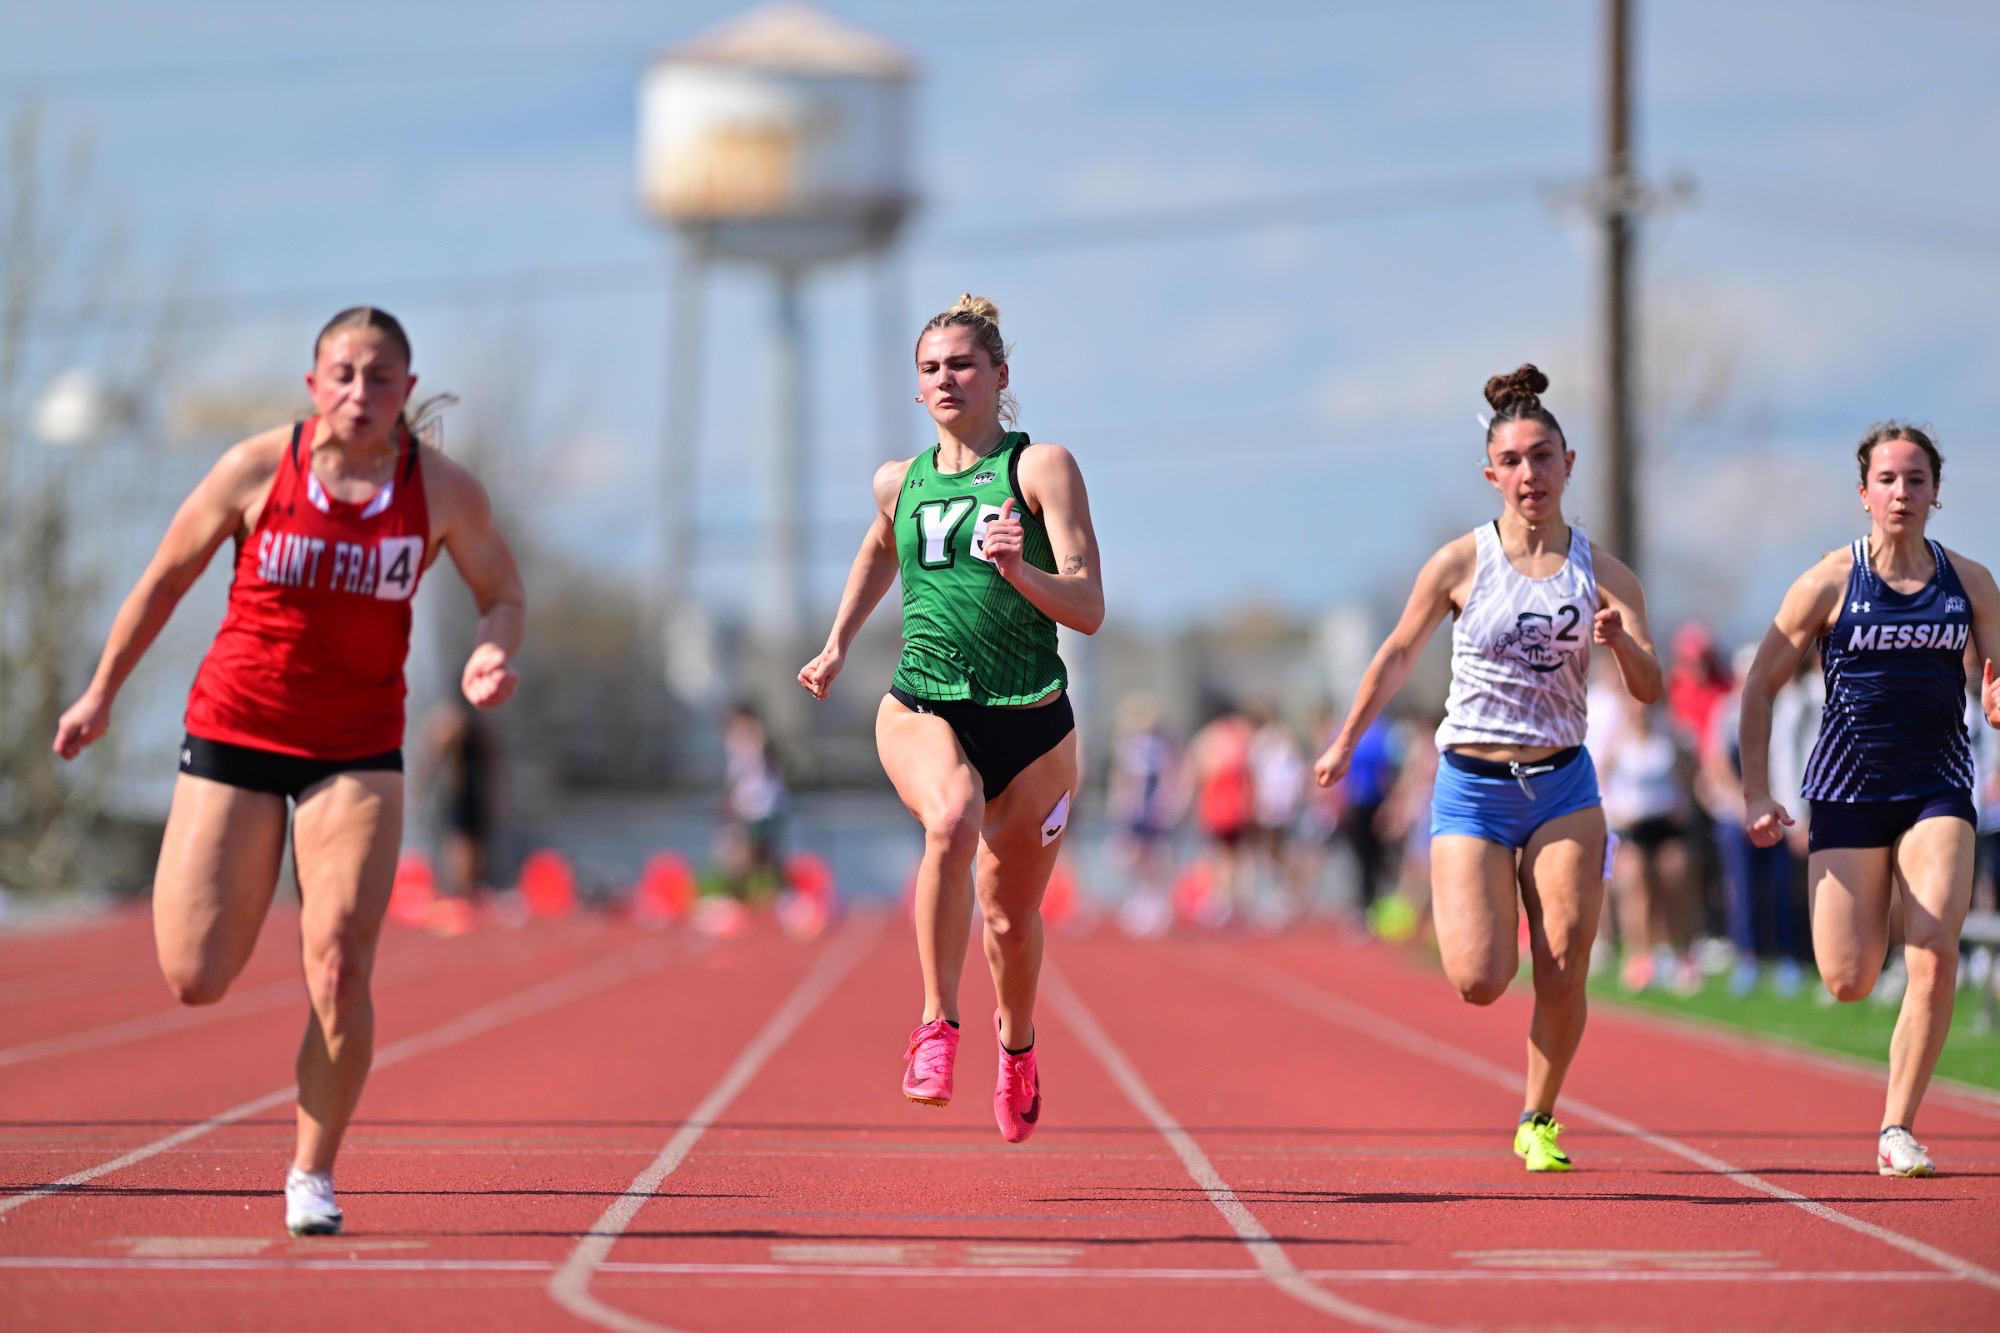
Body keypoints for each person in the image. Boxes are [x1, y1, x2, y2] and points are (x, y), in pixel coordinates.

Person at [53, 307, 525, 1235]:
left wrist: (493, 650)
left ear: (406, 390)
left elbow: (502, 592)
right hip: (236, 729)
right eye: (343, 373)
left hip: (355, 750)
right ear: (314, 384)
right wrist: (101, 691)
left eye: (380, 377)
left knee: (343, 960)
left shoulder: (444, 493)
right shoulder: (256, 468)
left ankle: (312, 1172)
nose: (360, 392)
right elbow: (164, 579)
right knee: (195, 975)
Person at [1313, 364, 1661, 1172]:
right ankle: (1492, 906)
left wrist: (1623, 644)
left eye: (1544, 457)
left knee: (1567, 957)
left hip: (1564, 783)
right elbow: (1398, 654)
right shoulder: (1459, 563)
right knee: (1478, 978)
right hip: (1472, 784)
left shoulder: (1606, 575)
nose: (1530, 474)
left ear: (1569, 463)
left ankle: (1539, 1115)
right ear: (1492, 473)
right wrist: (1343, 740)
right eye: (1514, 460)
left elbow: (1651, 688)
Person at [799, 294, 1102, 1144]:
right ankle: (936, 1024)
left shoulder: (1040, 469)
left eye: (963, 364)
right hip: (923, 703)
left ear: (1000, 377)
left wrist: (1020, 573)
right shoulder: (901, 480)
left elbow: (1089, 606)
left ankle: (1017, 1044)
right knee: (951, 816)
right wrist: (836, 645)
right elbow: (879, 545)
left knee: (1009, 917)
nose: (946, 379)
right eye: (931, 368)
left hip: (1035, 725)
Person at [1738, 421, 2000, 1177]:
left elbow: (1997, 677)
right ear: (1863, 493)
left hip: (1937, 789)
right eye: (1888, 479)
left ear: (1936, 494)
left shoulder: (1971, 583)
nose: (1902, 493)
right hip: (1848, 795)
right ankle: (1877, 915)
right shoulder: (1828, 582)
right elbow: (1759, 687)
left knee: (1934, 951)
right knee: (1848, 978)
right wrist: (1758, 789)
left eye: (1916, 479)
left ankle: (1897, 1127)